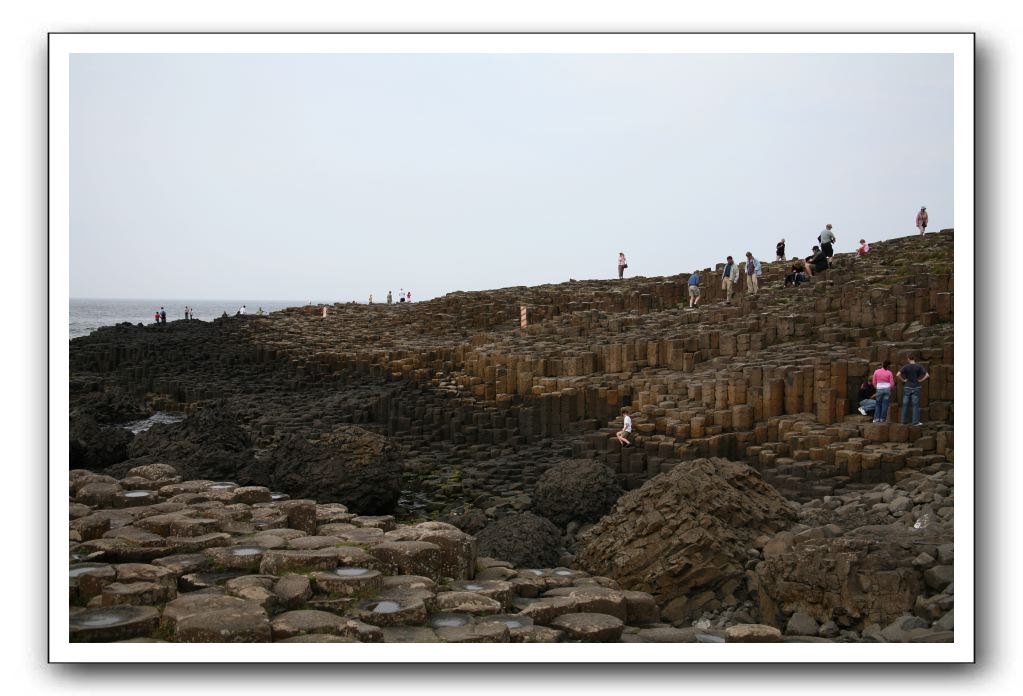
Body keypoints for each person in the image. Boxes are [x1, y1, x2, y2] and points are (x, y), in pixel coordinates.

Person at [898, 354, 929, 426]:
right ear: (914, 358)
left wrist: (903, 380)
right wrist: (921, 380)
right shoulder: (919, 366)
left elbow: (897, 374)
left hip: (907, 387)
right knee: (915, 405)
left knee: (905, 404)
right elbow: (927, 375)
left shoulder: (906, 366)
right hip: (916, 387)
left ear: (908, 359)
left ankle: (903, 421)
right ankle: (915, 422)